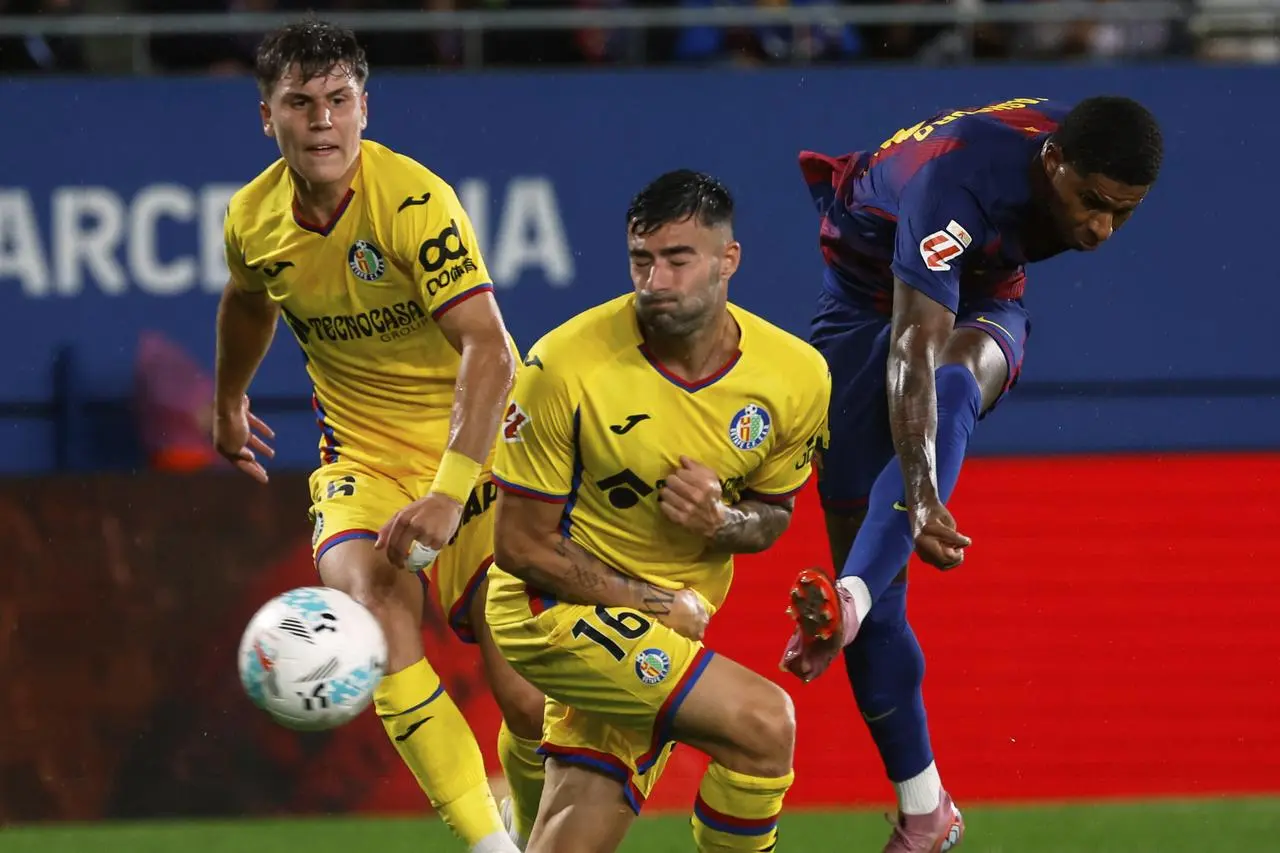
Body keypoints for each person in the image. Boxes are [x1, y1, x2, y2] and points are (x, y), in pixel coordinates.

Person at [779, 96, 1164, 851]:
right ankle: (926, 812)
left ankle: (849, 598)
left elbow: (939, 359)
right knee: (880, 602)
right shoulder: (955, 189)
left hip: (987, 292)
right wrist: (920, 496)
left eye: (1122, 213)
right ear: (1053, 162)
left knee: (960, 378)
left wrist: (921, 494)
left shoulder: (1074, 136)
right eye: (1090, 203)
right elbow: (908, 349)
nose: (1098, 231)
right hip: (865, 306)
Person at [212, 19, 547, 853]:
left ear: (365, 107)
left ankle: (540, 831)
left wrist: (449, 488)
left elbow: (489, 348)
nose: (322, 120)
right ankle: (488, 845)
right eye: (300, 102)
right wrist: (229, 397)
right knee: (370, 608)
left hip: (474, 454)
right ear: (268, 115)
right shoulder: (252, 219)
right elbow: (249, 300)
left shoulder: (414, 202)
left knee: (530, 705)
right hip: (359, 455)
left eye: (338, 99)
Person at [483, 170, 831, 853]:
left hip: (662, 625)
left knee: (569, 840)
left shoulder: (796, 376)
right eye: (642, 260)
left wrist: (722, 523)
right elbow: (520, 548)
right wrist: (649, 600)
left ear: (728, 260)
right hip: (548, 610)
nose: (656, 280)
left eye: (679, 259)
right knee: (766, 724)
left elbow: (772, 514)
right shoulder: (563, 366)